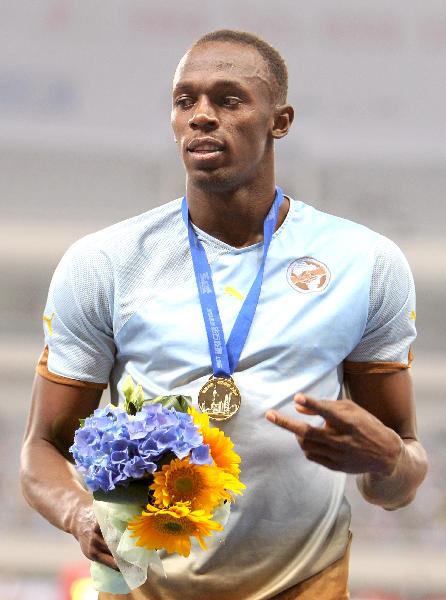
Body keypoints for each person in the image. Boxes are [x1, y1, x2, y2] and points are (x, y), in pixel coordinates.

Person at [20, 29, 428, 600]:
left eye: (228, 99)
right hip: (143, 588)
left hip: (307, 584)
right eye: (185, 100)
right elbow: (42, 447)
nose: (201, 116)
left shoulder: (364, 262)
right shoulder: (105, 262)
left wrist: (386, 462)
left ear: (279, 121)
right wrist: (80, 514)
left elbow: (400, 478)